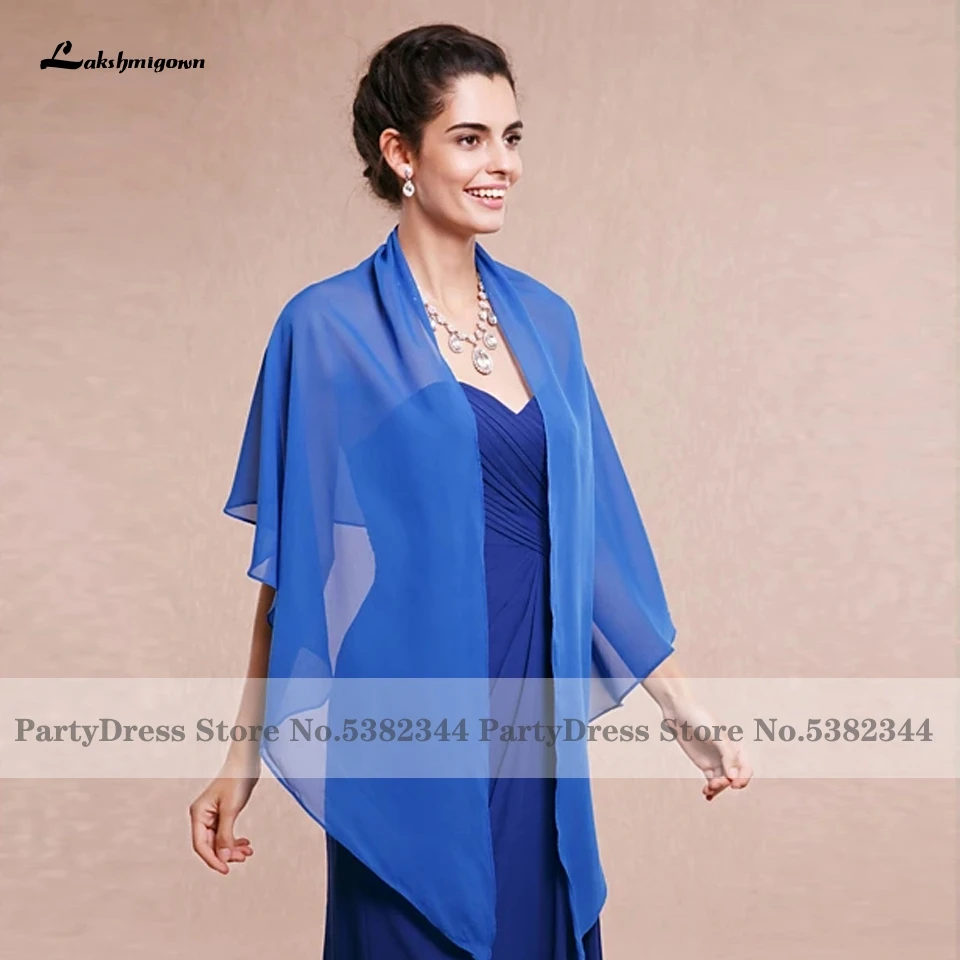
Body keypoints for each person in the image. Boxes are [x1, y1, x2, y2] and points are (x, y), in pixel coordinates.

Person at [188, 23, 752, 960]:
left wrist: (686, 713)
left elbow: (591, 544)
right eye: (470, 137)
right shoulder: (326, 329)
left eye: (512, 137)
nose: (502, 164)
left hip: (536, 725)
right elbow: (293, 576)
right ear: (400, 153)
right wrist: (238, 761)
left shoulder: (549, 321)